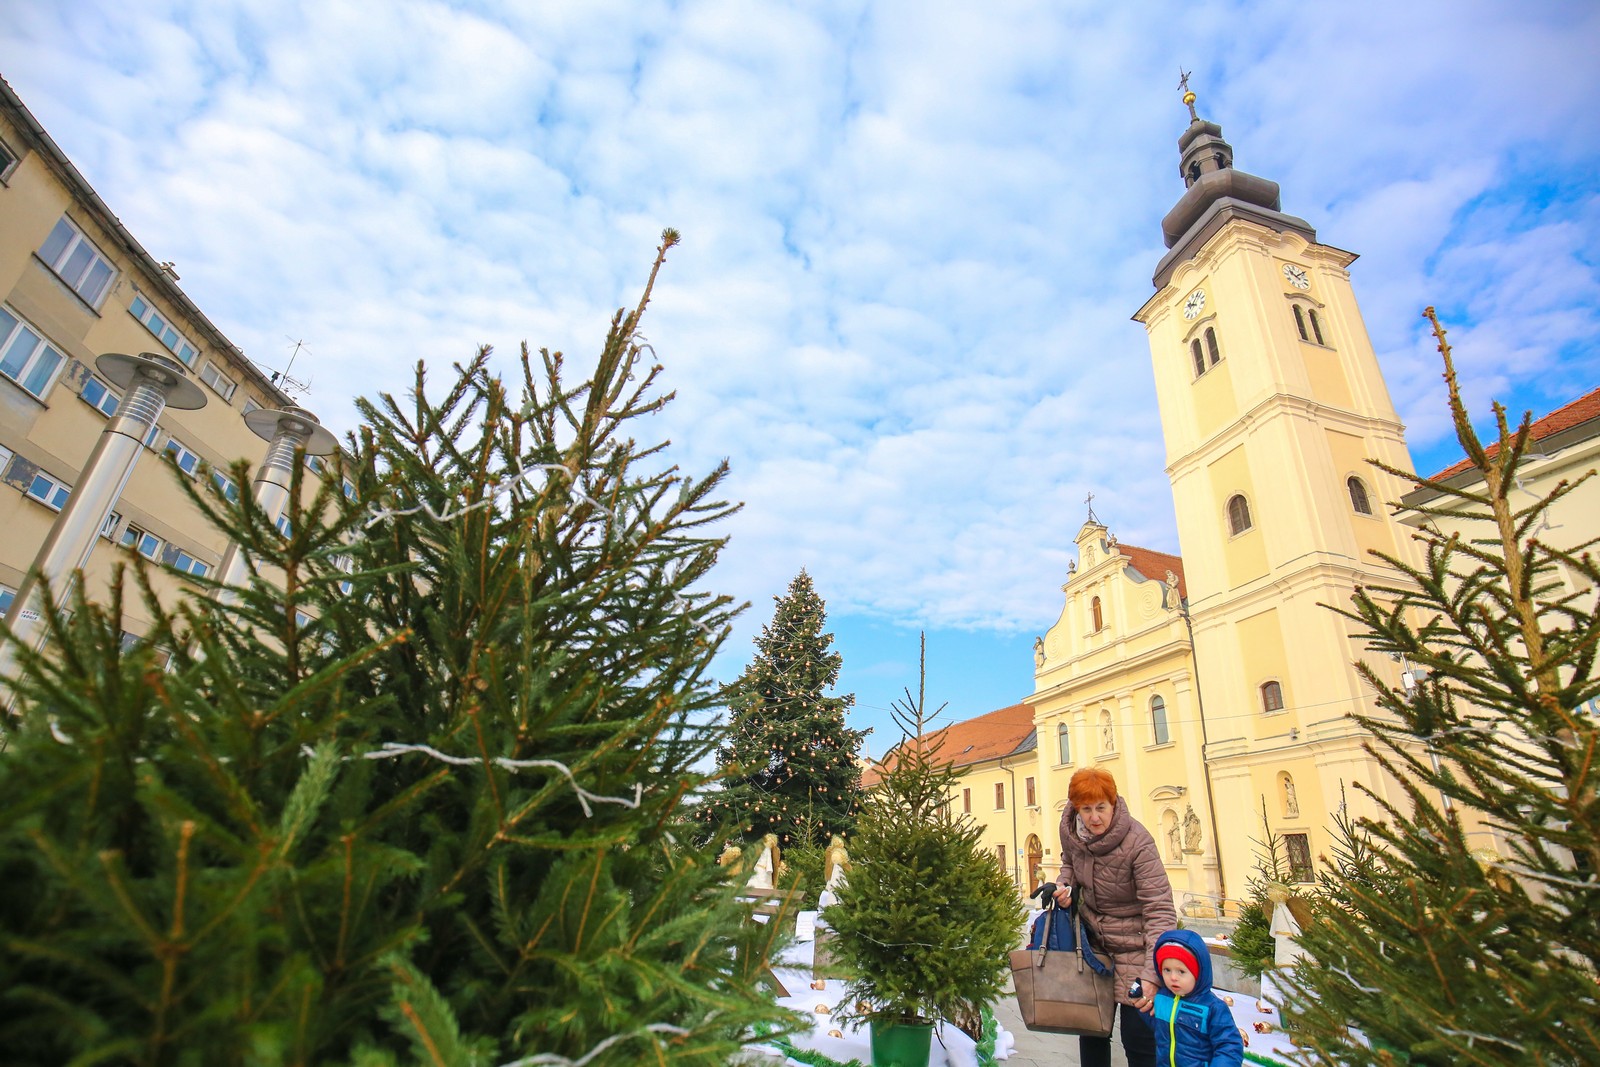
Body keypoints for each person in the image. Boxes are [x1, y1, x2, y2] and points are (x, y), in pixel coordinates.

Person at [1052, 767, 1175, 1067]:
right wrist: (1064, 884)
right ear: (1076, 808)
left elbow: (1159, 910)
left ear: (1113, 803)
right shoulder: (1071, 832)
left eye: (1101, 808)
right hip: (1095, 950)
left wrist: (1152, 974)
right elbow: (1069, 862)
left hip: (1136, 950)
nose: (1094, 817)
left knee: (1139, 1039)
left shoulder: (1138, 843)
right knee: (1091, 1033)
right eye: (1086, 809)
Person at [1142, 929, 1244, 1067]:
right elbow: (1159, 1026)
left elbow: (1229, 1046)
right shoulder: (1162, 997)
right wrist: (1141, 1003)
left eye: (1181, 971)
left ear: (1198, 972)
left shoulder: (1213, 1007)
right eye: (1167, 970)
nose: (1173, 977)